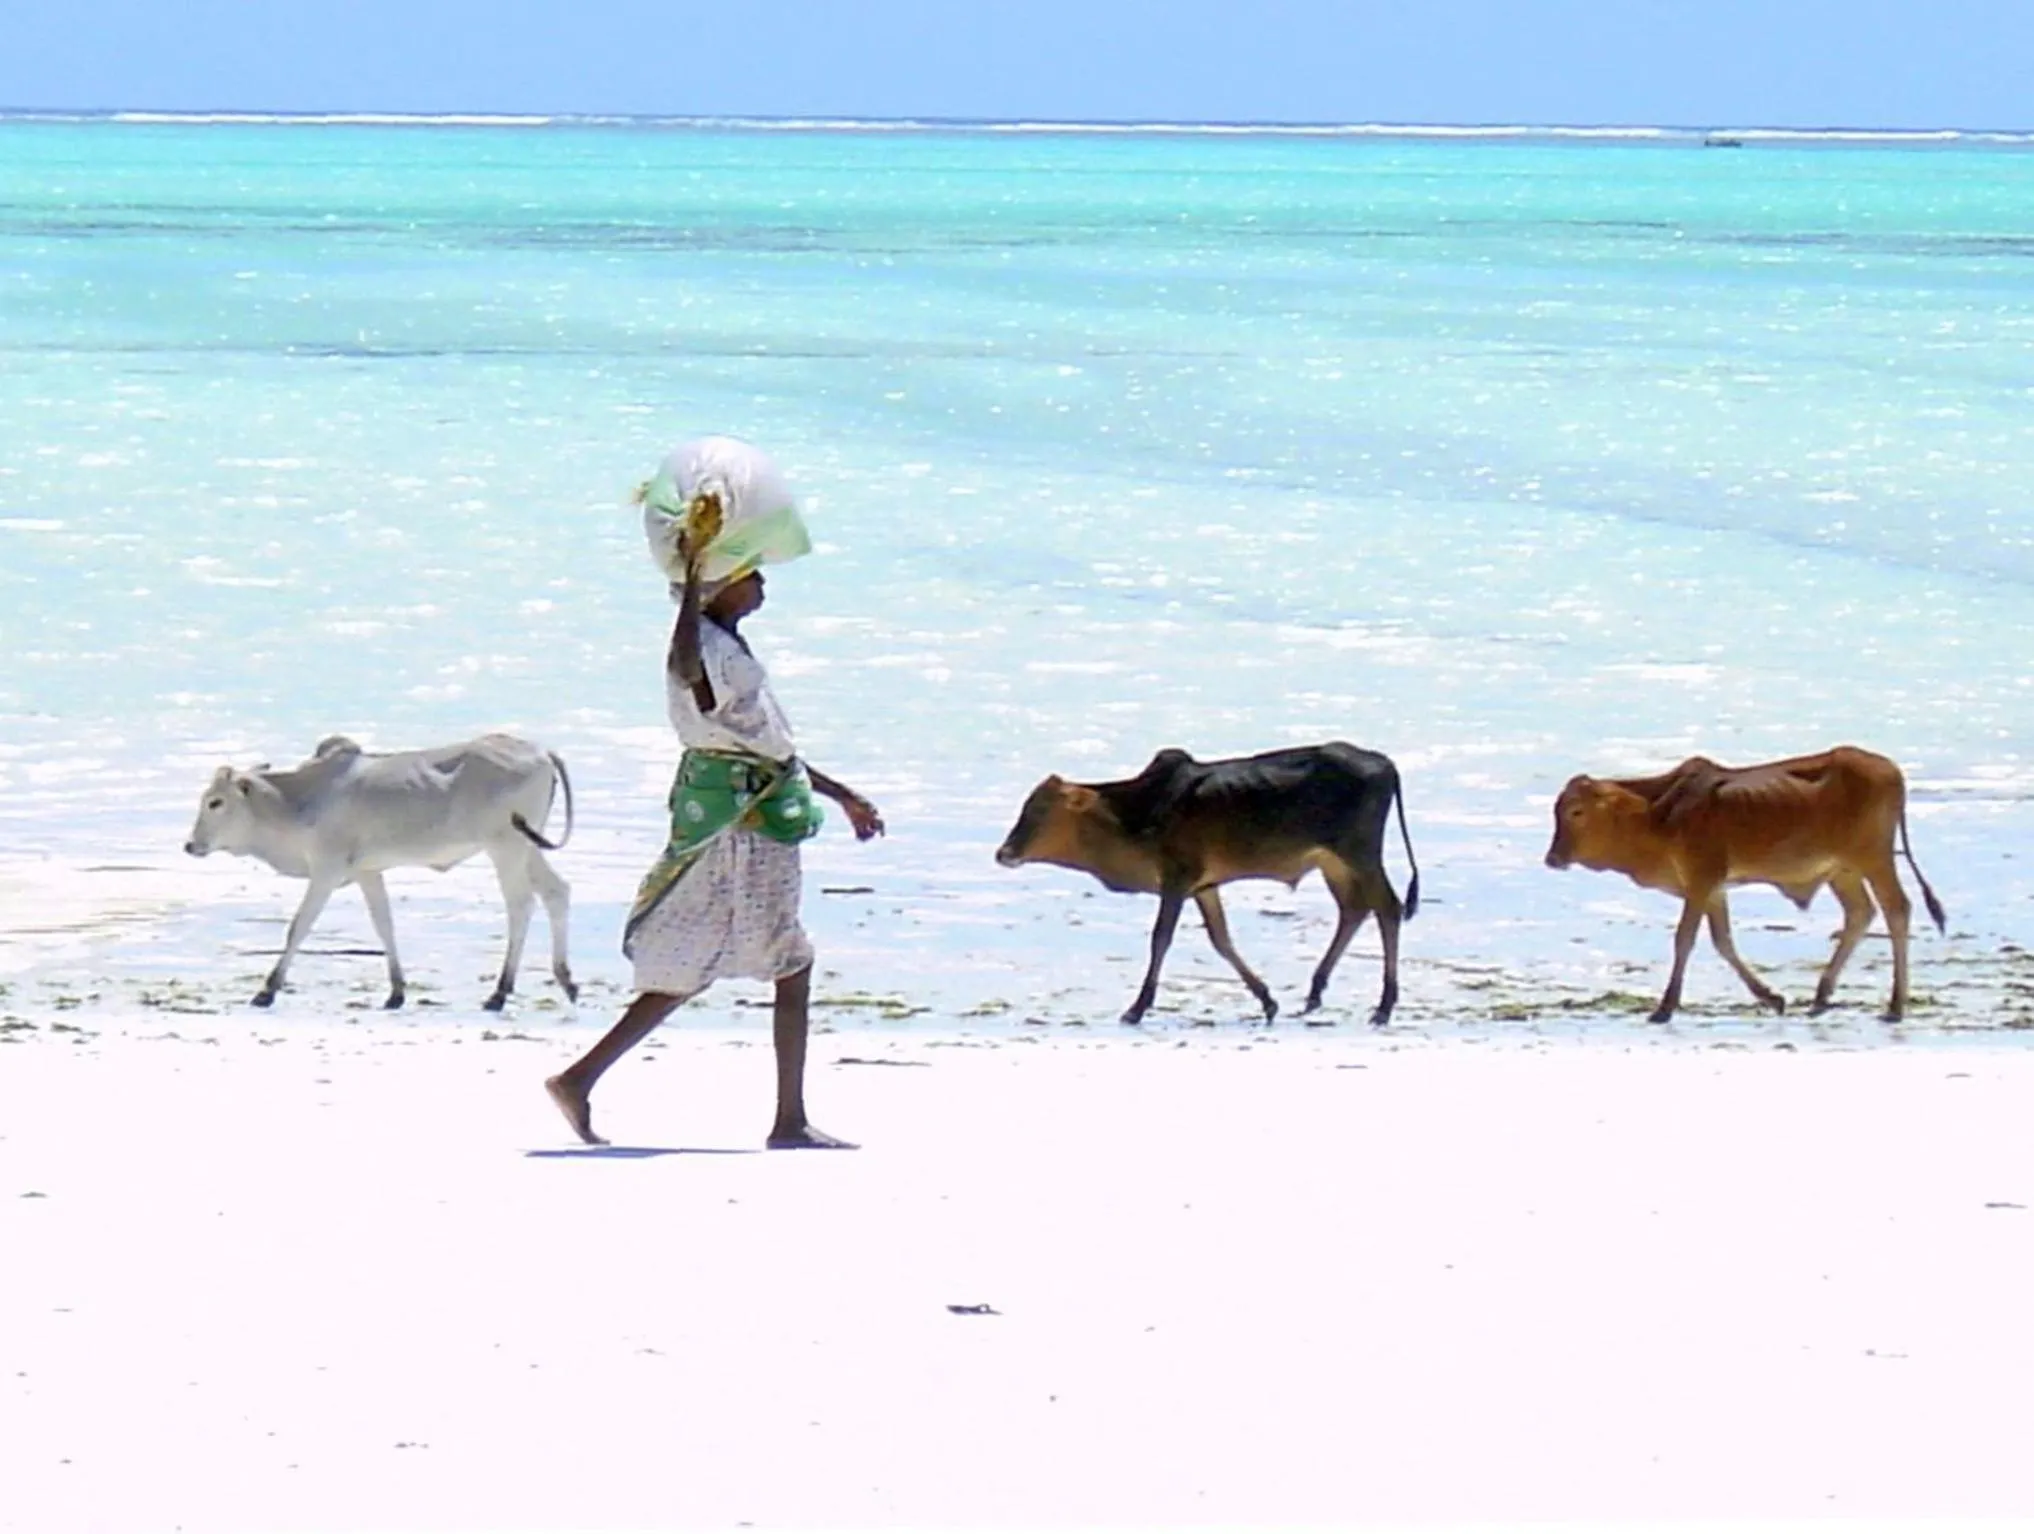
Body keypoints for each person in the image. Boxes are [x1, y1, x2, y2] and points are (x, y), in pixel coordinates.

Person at [545, 493, 883, 1150]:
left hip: (738, 805)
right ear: (726, 585)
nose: (762, 585)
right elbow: (689, 674)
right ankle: (787, 1122)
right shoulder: (703, 645)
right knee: (788, 961)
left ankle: (581, 1078)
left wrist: (842, 796)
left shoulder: (722, 642)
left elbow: (766, 743)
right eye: (752, 573)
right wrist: (698, 574)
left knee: (698, 965)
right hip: (746, 826)